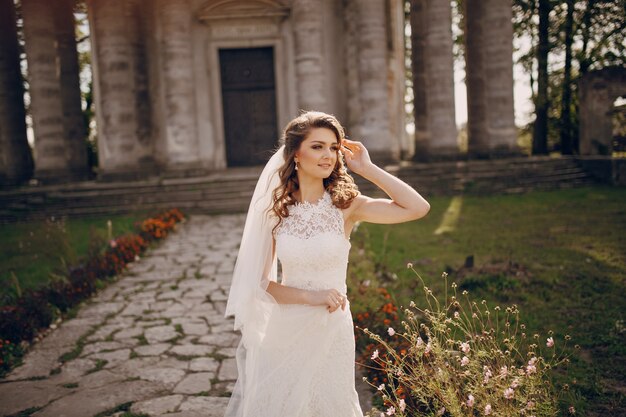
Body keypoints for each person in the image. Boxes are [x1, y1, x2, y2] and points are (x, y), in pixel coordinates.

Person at [224, 111, 430, 417]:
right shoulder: (276, 211)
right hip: (287, 328)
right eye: (318, 146)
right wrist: (312, 296)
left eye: (334, 147)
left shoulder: (347, 207)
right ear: (296, 153)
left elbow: (417, 208)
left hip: (332, 329)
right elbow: (260, 284)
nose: (328, 155)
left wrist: (369, 169)